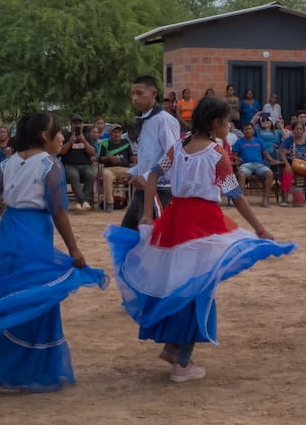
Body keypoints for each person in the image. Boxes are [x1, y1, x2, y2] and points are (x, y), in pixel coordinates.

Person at [104, 96, 293, 383]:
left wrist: (146, 214)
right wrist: (259, 229)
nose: (229, 126)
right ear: (216, 123)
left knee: (179, 282)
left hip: (175, 219)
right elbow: (236, 196)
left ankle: (173, 346)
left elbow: (152, 174)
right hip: (202, 222)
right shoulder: (217, 154)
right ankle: (182, 362)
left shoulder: (179, 147)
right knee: (200, 287)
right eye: (227, 121)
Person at [0, 111, 105, 391]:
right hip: (35, 231)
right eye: (59, 133)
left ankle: (0, 363)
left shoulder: (8, 163)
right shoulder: (50, 165)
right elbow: (59, 211)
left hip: (10, 230)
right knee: (34, 297)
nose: (62, 138)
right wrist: (74, 249)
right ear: (45, 137)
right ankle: (20, 371)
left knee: (10, 292)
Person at [125, 76, 181, 230]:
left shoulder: (164, 120)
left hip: (160, 189)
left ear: (154, 93)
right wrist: (133, 171)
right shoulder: (144, 120)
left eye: (139, 93)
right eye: (132, 94)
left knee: (154, 239)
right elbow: (149, 156)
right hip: (143, 189)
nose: (135, 98)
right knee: (129, 233)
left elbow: (172, 155)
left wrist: (147, 176)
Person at [60, 122, 99, 210]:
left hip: (85, 165)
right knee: (73, 176)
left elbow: (92, 152)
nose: (77, 125)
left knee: (91, 174)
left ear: (82, 125)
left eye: (79, 123)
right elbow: (61, 151)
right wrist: (70, 142)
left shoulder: (87, 136)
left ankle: (81, 201)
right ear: (71, 124)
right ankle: (83, 201)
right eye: (75, 123)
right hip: (70, 165)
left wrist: (84, 141)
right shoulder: (65, 136)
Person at [233, 123, 275, 206]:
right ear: (242, 131)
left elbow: (265, 153)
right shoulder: (239, 142)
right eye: (245, 129)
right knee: (241, 175)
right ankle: (242, 200)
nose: (248, 131)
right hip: (246, 165)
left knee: (269, 173)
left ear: (253, 130)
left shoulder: (259, 140)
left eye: (249, 129)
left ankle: (265, 199)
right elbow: (234, 155)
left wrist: (270, 159)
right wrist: (237, 159)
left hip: (259, 165)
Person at [97, 124, 134, 211]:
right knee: (106, 175)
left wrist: (134, 158)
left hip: (124, 169)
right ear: (110, 133)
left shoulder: (126, 142)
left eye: (118, 132)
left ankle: (132, 203)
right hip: (110, 169)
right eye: (114, 132)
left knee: (134, 173)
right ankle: (110, 203)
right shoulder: (105, 142)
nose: (117, 134)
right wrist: (109, 158)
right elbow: (100, 159)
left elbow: (131, 157)